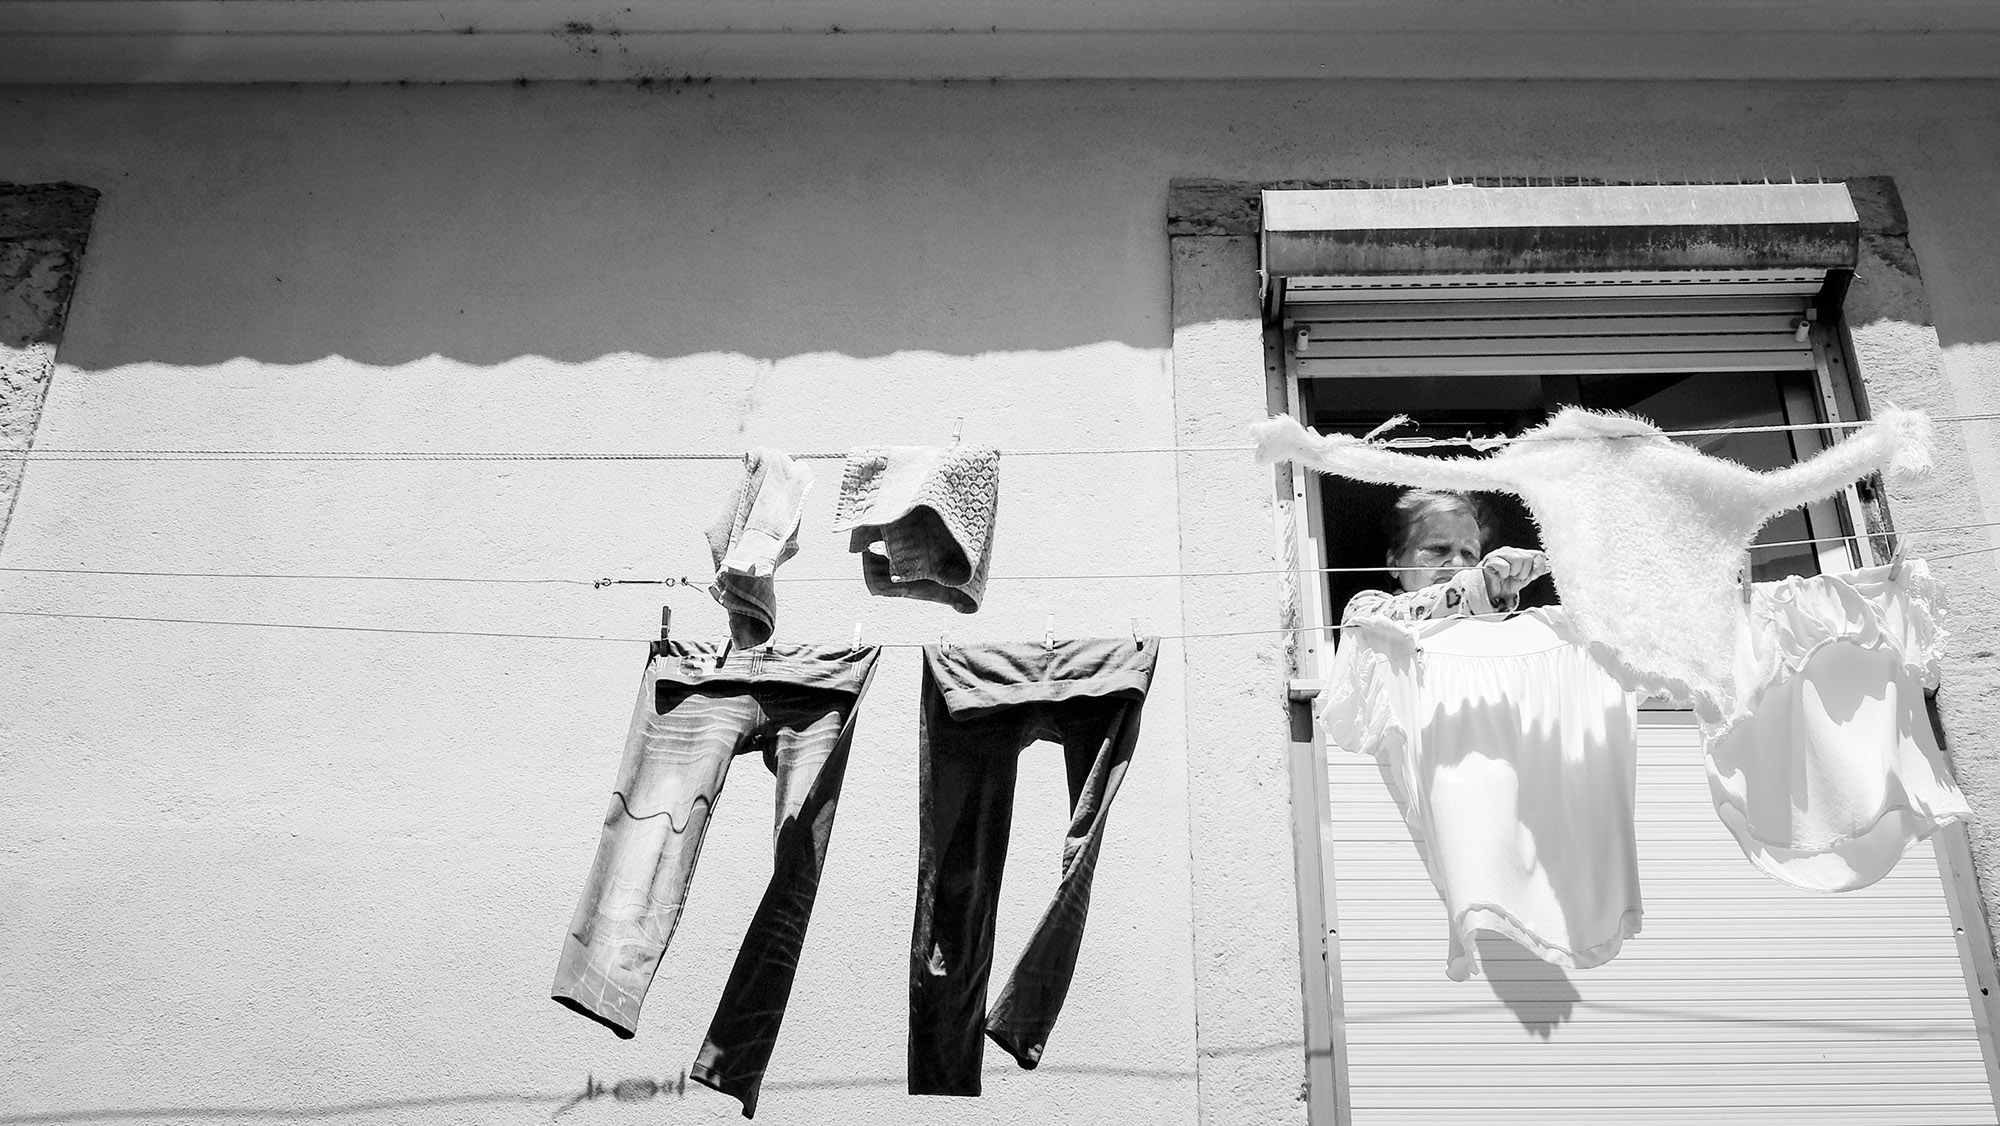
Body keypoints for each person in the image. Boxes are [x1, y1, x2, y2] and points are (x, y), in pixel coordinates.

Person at [1342, 488, 1550, 624]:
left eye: (1468, 553)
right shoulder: (1365, 609)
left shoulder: (1494, 629)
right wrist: (1478, 588)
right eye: (1439, 549)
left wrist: (1496, 594)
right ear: (1394, 562)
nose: (1458, 564)